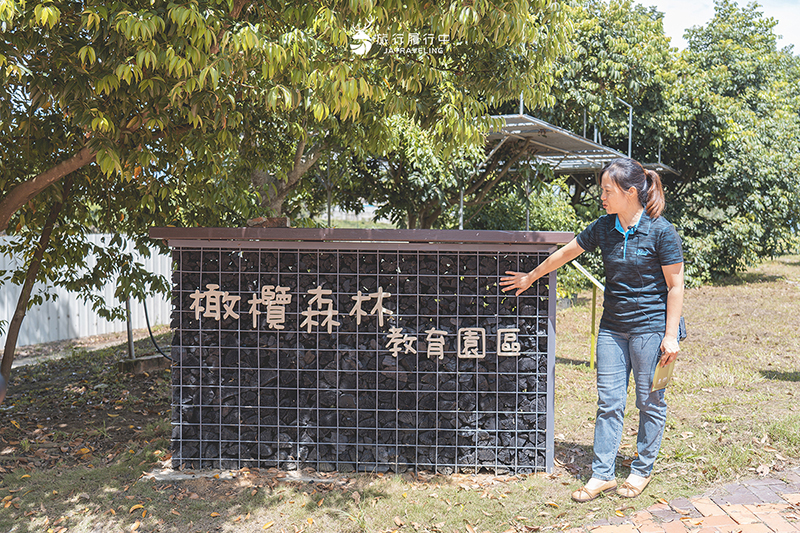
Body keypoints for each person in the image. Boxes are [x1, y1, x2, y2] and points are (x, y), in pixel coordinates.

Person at [500, 158, 684, 501]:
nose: (602, 196)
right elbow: (567, 253)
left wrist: (671, 335)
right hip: (613, 328)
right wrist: (530, 277)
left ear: (630, 193)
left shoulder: (661, 231)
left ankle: (642, 469)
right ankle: (603, 475)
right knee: (609, 402)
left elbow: (675, 286)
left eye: (607, 190)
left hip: (651, 330)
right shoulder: (604, 226)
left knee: (650, 401)